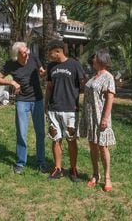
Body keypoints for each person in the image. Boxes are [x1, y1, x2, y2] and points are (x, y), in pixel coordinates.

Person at [0, 42, 48, 174]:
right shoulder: (10, 64)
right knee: (21, 133)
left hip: (37, 100)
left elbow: (41, 73)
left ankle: (41, 162)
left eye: (27, 51)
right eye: (23, 53)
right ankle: (20, 163)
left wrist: (46, 72)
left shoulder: (33, 58)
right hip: (22, 101)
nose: (27, 54)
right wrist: (11, 82)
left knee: (40, 132)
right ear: (16, 55)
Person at [45, 39, 86, 181]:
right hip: (54, 109)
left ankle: (73, 169)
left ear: (58, 51)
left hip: (70, 109)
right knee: (55, 139)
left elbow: (82, 84)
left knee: (71, 139)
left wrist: (76, 97)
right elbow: (49, 87)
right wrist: (46, 105)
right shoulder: (51, 66)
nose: (49, 56)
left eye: (51, 53)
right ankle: (57, 168)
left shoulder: (74, 64)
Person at [82, 49, 116, 191]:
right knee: (92, 147)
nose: (92, 60)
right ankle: (95, 174)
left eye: (94, 57)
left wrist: (105, 118)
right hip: (90, 116)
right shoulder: (93, 77)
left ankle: (107, 177)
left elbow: (110, 98)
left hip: (101, 116)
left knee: (103, 147)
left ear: (101, 59)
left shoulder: (108, 77)